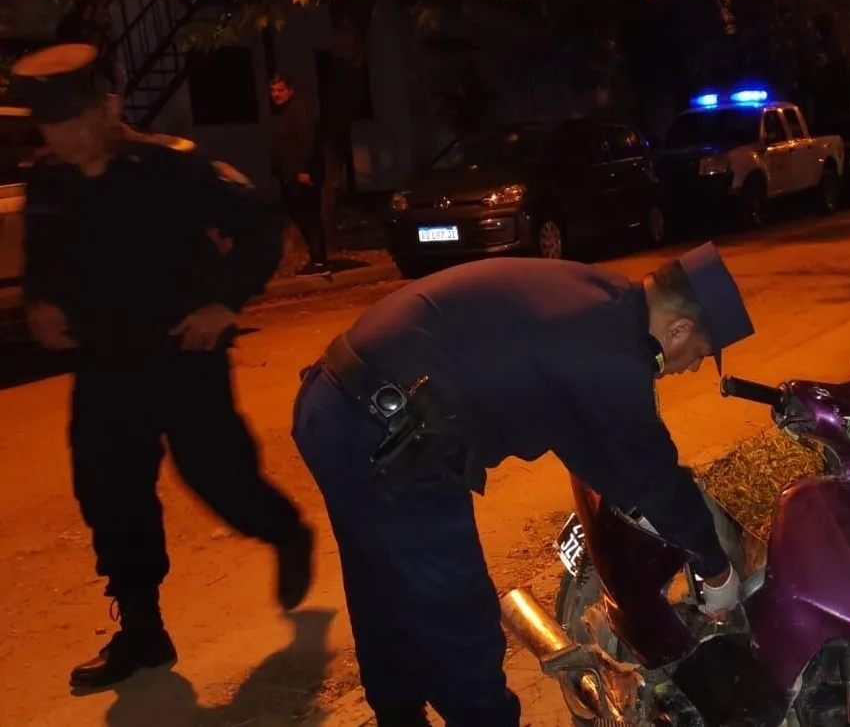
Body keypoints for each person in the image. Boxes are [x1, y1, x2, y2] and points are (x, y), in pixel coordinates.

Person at [291, 243, 755, 727]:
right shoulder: (613, 349)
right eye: (699, 354)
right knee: (460, 621)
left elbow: (581, 437)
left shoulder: (595, 301)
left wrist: (637, 507)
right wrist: (716, 569)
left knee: (382, 587)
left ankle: (398, 714)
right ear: (678, 329)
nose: (692, 367)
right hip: (384, 438)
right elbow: (652, 467)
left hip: (333, 405)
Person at [9, 43, 315, 691]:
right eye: (50, 125)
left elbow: (261, 227)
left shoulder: (171, 166)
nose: (60, 137)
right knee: (108, 494)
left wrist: (223, 303)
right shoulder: (51, 180)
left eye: (70, 121)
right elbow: (42, 259)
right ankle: (142, 630)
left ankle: (285, 531)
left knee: (218, 478)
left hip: (183, 355)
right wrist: (41, 303)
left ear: (106, 108)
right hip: (104, 364)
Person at [269, 73, 330, 276]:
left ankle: (320, 260)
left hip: (301, 176)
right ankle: (316, 257)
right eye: (273, 91)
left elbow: (307, 141)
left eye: (280, 90)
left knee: (310, 216)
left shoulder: (298, 110)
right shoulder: (281, 114)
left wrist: (305, 170)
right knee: (298, 214)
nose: (276, 94)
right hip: (288, 176)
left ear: (290, 90)